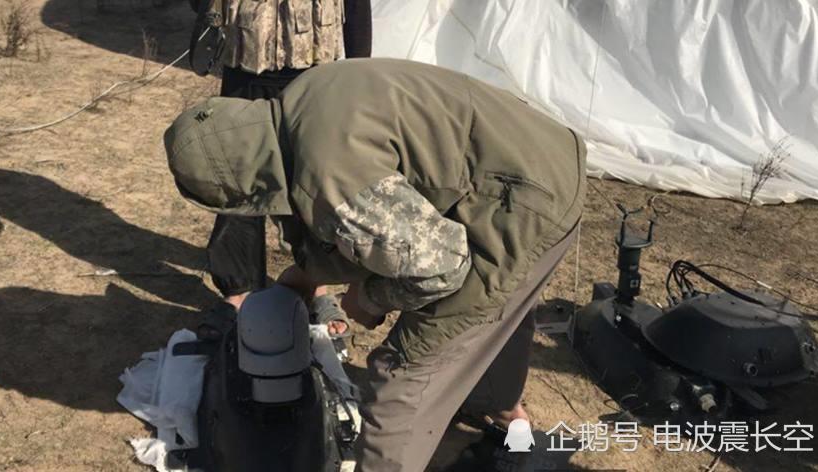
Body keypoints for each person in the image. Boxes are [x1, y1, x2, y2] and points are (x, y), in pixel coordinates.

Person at [163, 58, 586, 471]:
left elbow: (443, 266)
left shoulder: (331, 177)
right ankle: (495, 403)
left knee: (403, 377)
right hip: (540, 155)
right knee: (497, 309)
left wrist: (368, 299)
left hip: (524, 201)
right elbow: (372, 213)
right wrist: (309, 274)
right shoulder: (304, 94)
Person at [190, 0, 372, 335]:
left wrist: (359, 68)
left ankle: (317, 284)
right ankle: (238, 291)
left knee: (313, 179)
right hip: (246, 60)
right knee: (239, 176)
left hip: (315, 63)